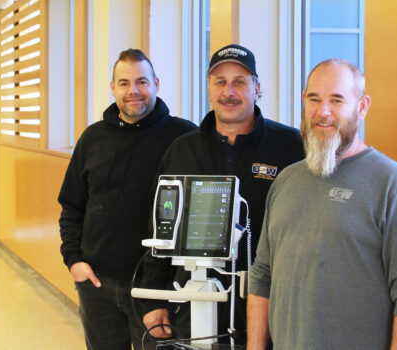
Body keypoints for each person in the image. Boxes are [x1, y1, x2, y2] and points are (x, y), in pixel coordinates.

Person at [247, 58, 397, 350]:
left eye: (337, 100)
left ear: (362, 107)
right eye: (315, 99)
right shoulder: (286, 181)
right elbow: (262, 275)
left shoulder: (394, 185)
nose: (323, 112)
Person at [140, 44, 305, 346]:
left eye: (239, 81)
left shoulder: (290, 147)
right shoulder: (183, 150)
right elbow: (160, 226)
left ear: (257, 88)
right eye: (220, 81)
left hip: (269, 307)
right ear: (209, 89)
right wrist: (152, 300)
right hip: (193, 303)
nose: (229, 91)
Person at [58, 48, 197, 350]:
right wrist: (74, 261)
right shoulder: (93, 138)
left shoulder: (184, 138)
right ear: (113, 88)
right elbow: (71, 207)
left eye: (142, 82)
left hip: (158, 291)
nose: (133, 91)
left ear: (157, 84)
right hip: (98, 286)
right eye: (124, 83)